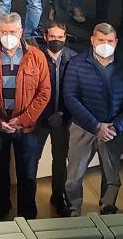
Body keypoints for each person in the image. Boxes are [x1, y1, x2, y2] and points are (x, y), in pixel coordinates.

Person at [0, 12, 51, 220]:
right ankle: (1, 208)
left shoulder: (36, 56)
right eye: (4, 32)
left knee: (27, 172)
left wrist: (23, 119)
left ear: (21, 32)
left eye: (12, 32)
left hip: (26, 128)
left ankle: (27, 213)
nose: (8, 35)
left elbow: (44, 92)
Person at [63, 22, 123, 215]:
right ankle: (74, 210)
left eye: (109, 40)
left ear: (116, 42)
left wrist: (118, 125)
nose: (105, 44)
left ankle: (107, 209)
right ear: (93, 40)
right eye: (101, 40)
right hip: (83, 129)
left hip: (114, 131)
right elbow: (70, 97)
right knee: (73, 177)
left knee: (112, 178)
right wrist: (95, 126)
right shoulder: (76, 63)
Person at [37, 20, 78, 216]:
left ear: (65, 38)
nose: (56, 40)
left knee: (60, 160)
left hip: (63, 119)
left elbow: (76, 92)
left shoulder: (74, 59)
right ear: (45, 37)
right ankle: (28, 201)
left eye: (60, 37)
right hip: (38, 120)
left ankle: (58, 196)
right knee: (31, 159)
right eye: (52, 37)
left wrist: (63, 114)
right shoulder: (35, 57)